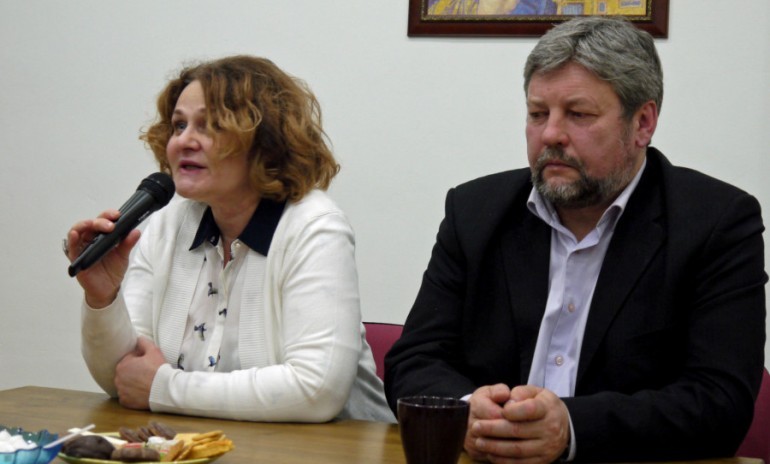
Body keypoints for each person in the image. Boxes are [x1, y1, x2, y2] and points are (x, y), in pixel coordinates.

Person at [384, 16, 767, 462]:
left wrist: (570, 429)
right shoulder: (474, 213)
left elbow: (719, 402)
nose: (551, 134)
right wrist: (467, 411)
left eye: (578, 114)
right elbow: (414, 360)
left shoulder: (715, 223)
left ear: (643, 123)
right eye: (538, 114)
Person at [65, 55, 393, 423]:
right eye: (179, 125)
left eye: (210, 126)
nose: (183, 141)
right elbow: (126, 379)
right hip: (215, 445)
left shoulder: (315, 226)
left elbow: (316, 391)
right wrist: (103, 299)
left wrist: (165, 388)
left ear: (265, 142)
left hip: (329, 448)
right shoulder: (166, 225)